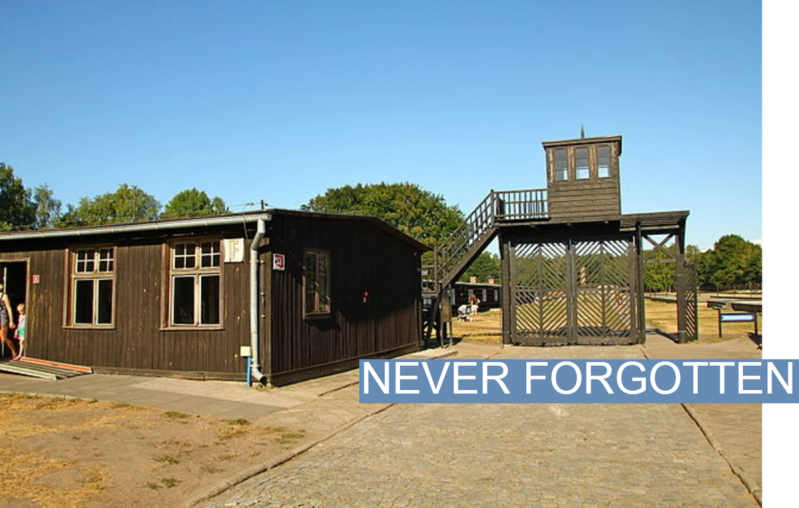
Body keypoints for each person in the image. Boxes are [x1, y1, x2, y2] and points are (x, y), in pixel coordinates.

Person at [0, 284, 18, 360]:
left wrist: (11, 321)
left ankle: (14, 351)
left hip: (2, 317)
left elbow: (9, 308)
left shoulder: (4, 296)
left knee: (3, 338)